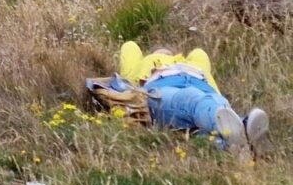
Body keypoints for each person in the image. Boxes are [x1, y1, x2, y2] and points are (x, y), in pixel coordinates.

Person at [101, 41, 268, 156]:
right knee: (195, 100)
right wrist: (153, 58)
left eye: (168, 51)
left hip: (204, 89)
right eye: (159, 52)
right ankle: (242, 128)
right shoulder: (145, 63)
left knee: (207, 124)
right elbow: (129, 47)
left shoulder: (192, 63)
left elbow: (199, 53)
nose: (165, 52)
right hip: (161, 89)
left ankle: (232, 146)